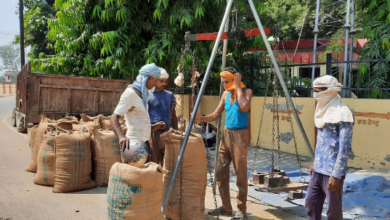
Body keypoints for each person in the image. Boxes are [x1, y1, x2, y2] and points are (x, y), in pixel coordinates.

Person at [194, 67, 252, 220]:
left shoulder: (246, 92)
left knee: (240, 174)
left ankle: (241, 210)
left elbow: (244, 107)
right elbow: (215, 114)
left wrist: (238, 87)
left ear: (235, 79)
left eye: (227, 82)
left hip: (240, 135)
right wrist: (201, 119)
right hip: (226, 134)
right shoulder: (225, 94)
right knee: (220, 172)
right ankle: (226, 206)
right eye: (223, 82)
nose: (225, 85)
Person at [305, 75, 354, 220]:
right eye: (314, 91)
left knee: (333, 211)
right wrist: (315, 162)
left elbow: (345, 147)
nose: (316, 95)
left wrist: (336, 175)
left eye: (318, 91)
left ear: (329, 91)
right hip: (318, 169)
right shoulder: (322, 110)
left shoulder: (343, 112)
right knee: (311, 203)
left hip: (332, 172)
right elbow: (322, 141)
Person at [110, 63, 161, 163]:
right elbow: (113, 118)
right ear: (149, 78)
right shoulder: (130, 94)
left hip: (144, 144)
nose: (155, 84)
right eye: (155, 81)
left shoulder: (143, 95)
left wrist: (153, 126)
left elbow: (138, 120)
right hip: (134, 146)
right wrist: (121, 136)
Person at [148, 68, 178, 166]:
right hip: (153, 131)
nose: (164, 84)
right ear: (155, 80)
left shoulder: (169, 95)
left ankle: (166, 180)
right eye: (161, 81)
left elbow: (173, 114)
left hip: (167, 130)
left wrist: (176, 131)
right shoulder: (148, 95)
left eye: (166, 81)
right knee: (155, 159)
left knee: (168, 160)